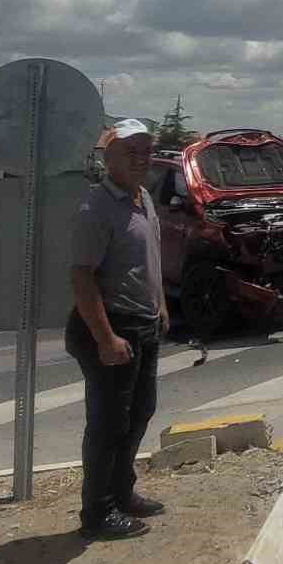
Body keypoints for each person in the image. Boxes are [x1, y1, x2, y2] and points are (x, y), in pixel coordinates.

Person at [66, 118, 168, 540]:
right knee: (108, 424)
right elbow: (82, 277)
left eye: (146, 150)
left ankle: (122, 493)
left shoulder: (142, 198)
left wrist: (160, 305)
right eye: (131, 151)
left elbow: (148, 258)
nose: (142, 158)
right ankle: (97, 513)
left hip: (143, 325)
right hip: (110, 327)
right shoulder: (97, 208)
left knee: (139, 413)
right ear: (109, 158)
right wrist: (106, 337)